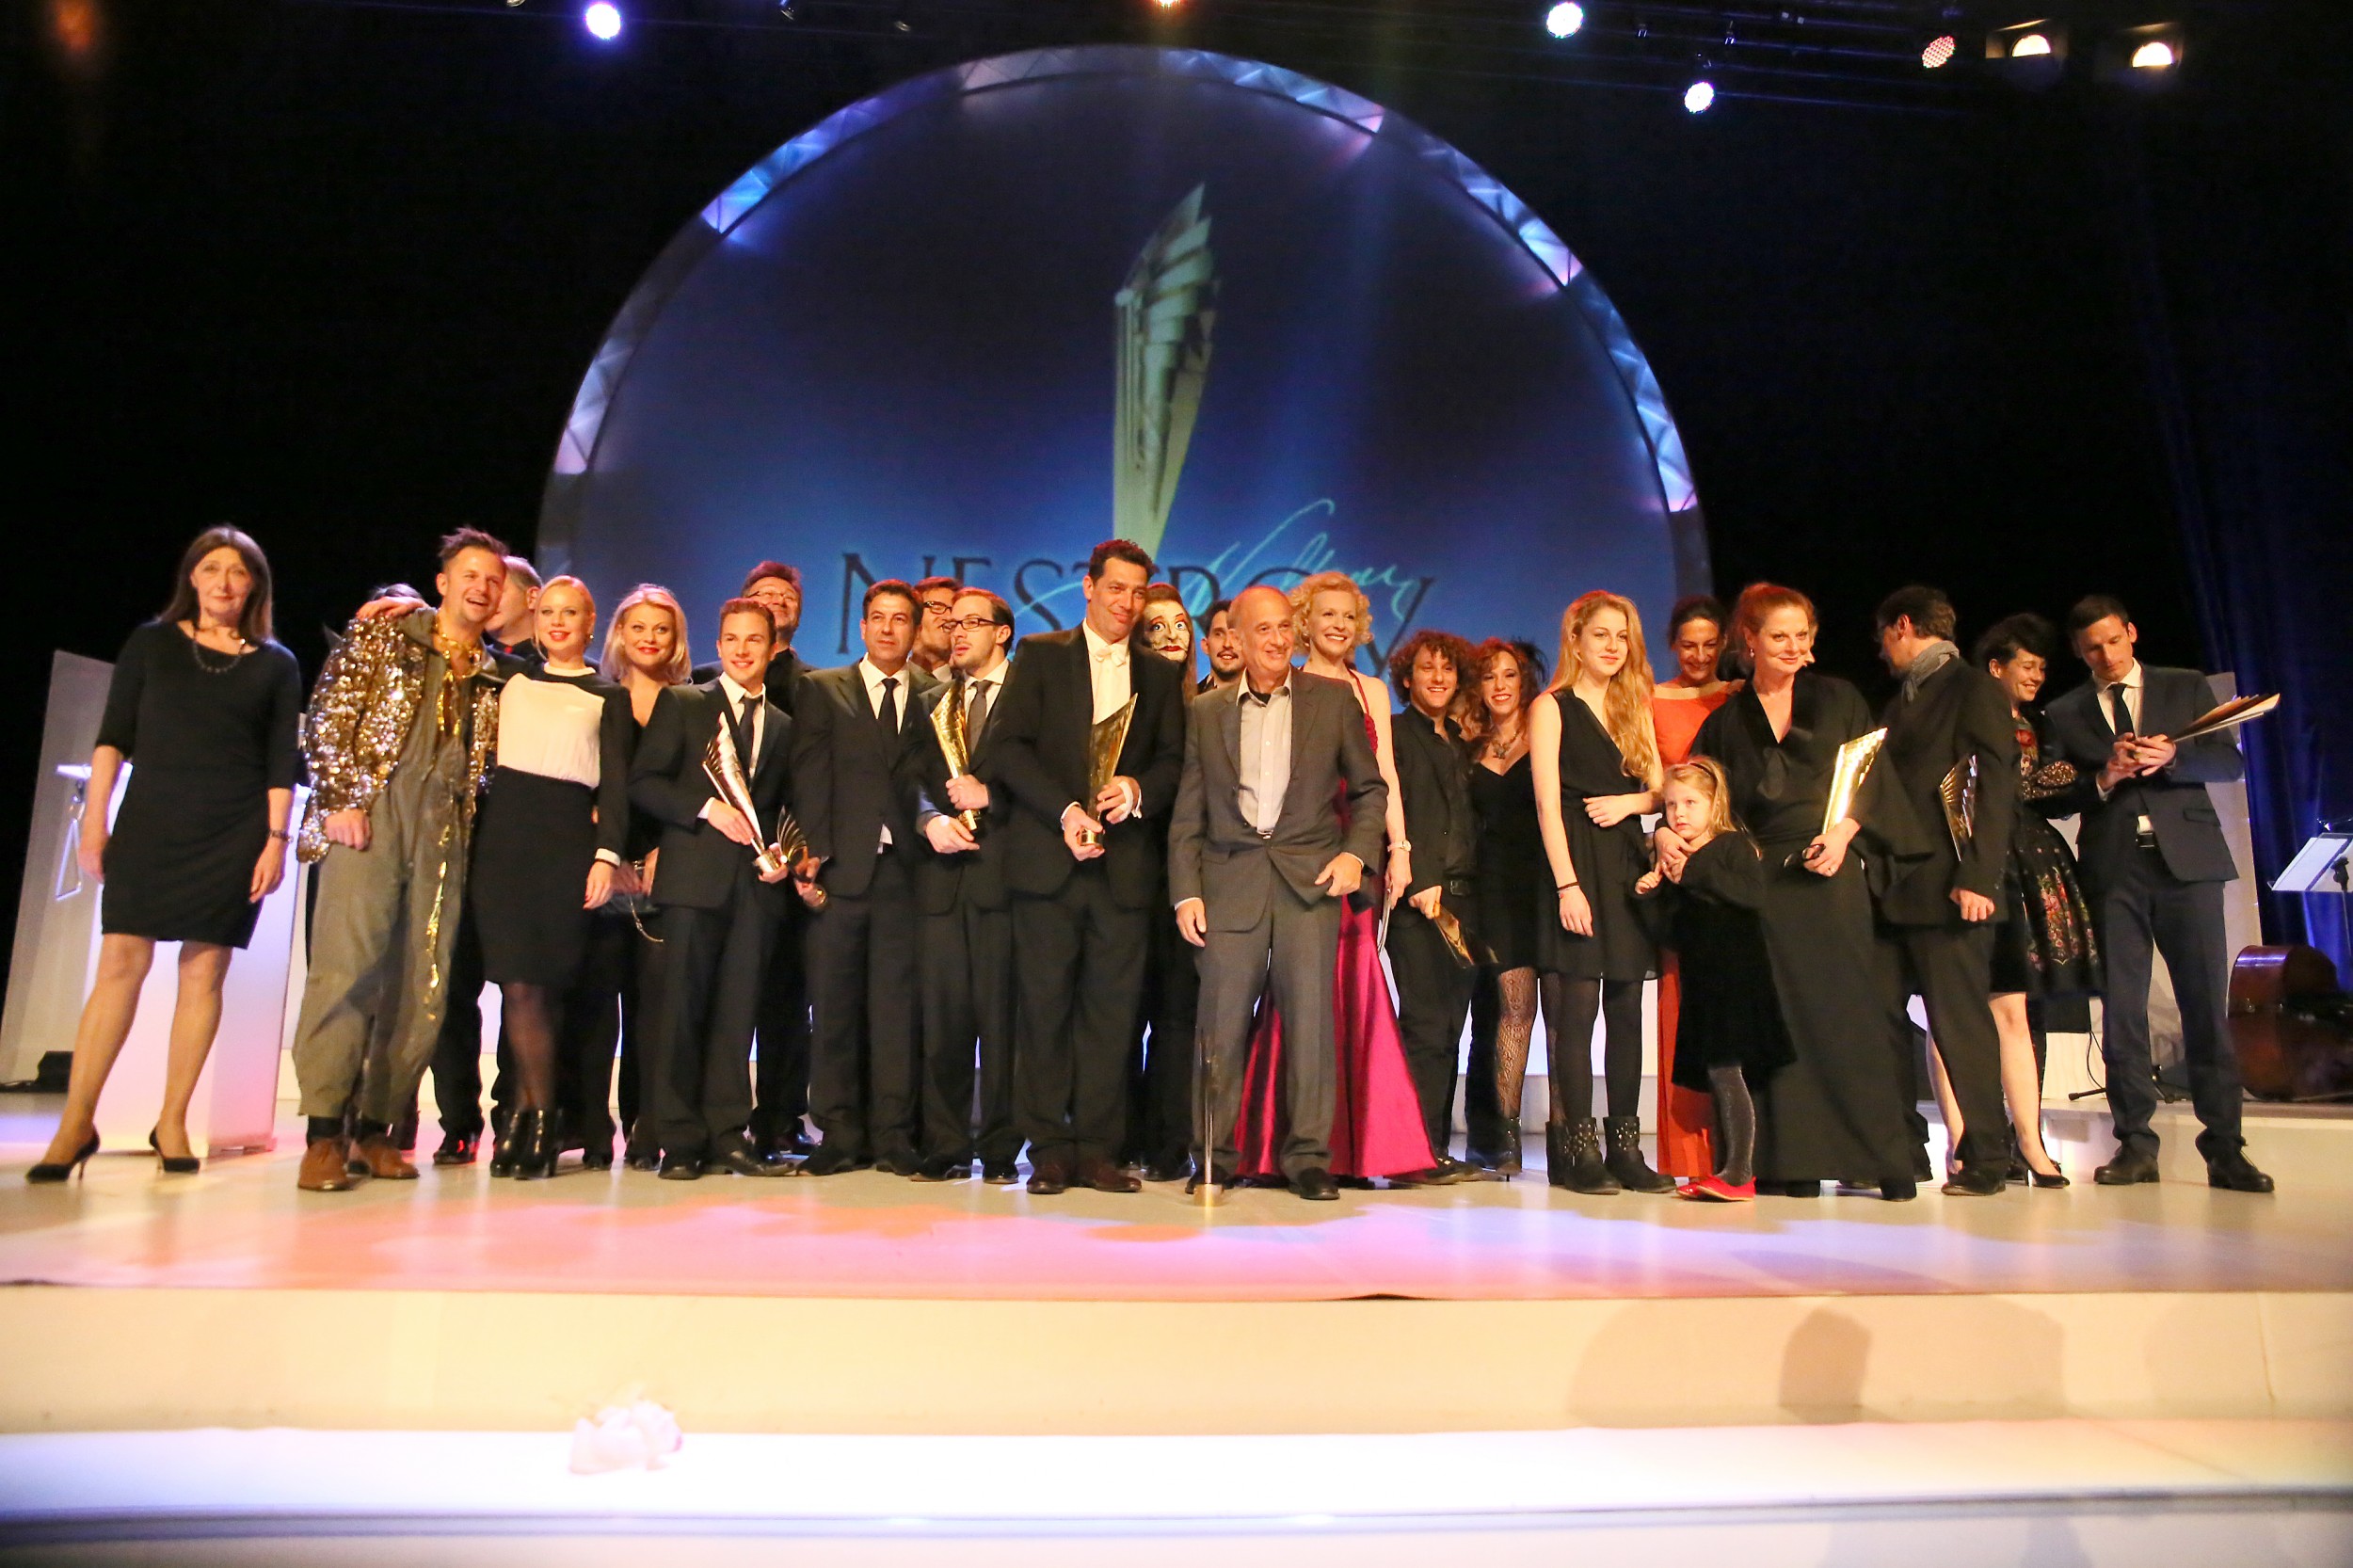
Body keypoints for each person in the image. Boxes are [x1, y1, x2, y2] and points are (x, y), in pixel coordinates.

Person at [28, 528, 302, 1184]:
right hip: (151, 821)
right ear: (192, 577)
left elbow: (279, 764)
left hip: (233, 830)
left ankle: (173, 1120)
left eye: (238, 572)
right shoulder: (151, 643)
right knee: (120, 964)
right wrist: (94, 822)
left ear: (255, 586)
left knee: (203, 974)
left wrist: (275, 841)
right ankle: (75, 1123)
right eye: (212, 569)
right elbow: (112, 738)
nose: (224, 583)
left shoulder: (276, 664)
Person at [286, 529, 511, 1192]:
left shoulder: (492, 673)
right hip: (374, 812)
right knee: (346, 970)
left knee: (423, 980)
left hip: (444, 830)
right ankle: (323, 1134)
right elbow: (328, 714)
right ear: (443, 582)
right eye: (470, 574)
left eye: (492, 580)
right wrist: (340, 799)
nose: (480, 587)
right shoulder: (386, 635)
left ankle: (378, 1128)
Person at [1685, 584, 1920, 1201]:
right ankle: (1793, 1163)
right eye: (1779, 636)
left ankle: (1884, 1161)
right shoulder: (1724, 722)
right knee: (1781, 1022)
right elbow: (1707, 803)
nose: (1792, 647)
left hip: (1831, 871)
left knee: (1850, 1016)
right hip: (1763, 886)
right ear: (1750, 640)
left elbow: (1870, 777)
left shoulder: (1839, 698)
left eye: (1801, 635)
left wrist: (1842, 835)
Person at [2041, 596, 2272, 1192]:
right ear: (2079, 652)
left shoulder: (2183, 684)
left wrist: (2174, 756)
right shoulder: (2064, 712)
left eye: (2113, 641)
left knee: (2205, 1006)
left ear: (2132, 632)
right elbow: (2053, 795)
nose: (2106, 655)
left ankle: (2225, 1148)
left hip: (2188, 864)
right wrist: (2104, 776)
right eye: (2092, 648)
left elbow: (2229, 763)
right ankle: (2135, 1145)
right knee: (2122, 1011)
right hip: (2114, 869)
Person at [1170, 584, 1388, 1200]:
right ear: (1235, 639)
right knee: (1219, 1025)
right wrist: (1186, 892)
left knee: (1311, 1025)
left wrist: (1355, 854)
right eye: (1260, 629)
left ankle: (1309, 1159)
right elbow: (1189, 813)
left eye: (1282, 628)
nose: (1274, 639)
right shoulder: (1206, 711)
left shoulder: (1332, 700)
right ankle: (1213, 1156)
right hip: (1228, 884)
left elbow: (1370, 791)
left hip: (1308, 883)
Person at [984, 539, 1185, 1195]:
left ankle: (1099, 1149)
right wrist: (1064, 812)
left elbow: (1174, 762)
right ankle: (1048, 1149)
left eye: (1138, 592)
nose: (1127, 602)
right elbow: (1008, 750)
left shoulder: (1158, 676)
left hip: (1124, 873)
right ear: (1089, 587)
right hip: (1049, 865)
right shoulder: (1042, 656)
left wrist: (1136, 790)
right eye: (1116, 588)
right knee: (1043, 1012)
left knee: (1111, 1017)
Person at [1228, 571, 1433, 1185]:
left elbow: (1382, 775)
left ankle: (1362, 1147)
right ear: (1304, 623)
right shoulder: (1285, 683)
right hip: (1300, 855)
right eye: (1327, 615)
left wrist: (1398, 847)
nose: (1339, 625)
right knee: (1298, 991)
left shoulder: (1371, 690)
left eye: (1349, 616)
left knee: (1357, 981)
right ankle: (1279, 1143)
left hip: (1358, 852)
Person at [627, 597, 800, 1179]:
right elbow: (644, 783)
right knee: (681, 1013)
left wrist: (784, 855)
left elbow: (782, 808)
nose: (742, 650)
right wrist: (704, 808)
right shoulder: (685, 703)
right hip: (693, 884)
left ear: (772, 649)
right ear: (719, 645)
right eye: (732, 639)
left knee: (737, 1015)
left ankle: (728, 1135)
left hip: (754, 892)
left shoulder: (783, 725)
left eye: (755, 640)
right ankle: (679, 1142)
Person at [467, 576, 632, 1178]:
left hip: (565, 843)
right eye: (549, 612)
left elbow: (616, 788)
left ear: (591, 624)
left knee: (547, 985)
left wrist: (606, 857)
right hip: (503, 840)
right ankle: (529, 1116)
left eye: (571, 613)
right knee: (517, 985)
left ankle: (539, 1119)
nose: (558, 622)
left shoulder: (607, 695)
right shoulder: (506, 677)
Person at [1934, 612, 2095, 1187]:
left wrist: (2087, 774)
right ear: (1995, 667)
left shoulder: (2038, 724)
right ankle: (1964, 1143)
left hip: (2023, 868)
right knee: (1952, 1011)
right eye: (2026, 666)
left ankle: (2029, 1141)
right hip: (1963, 861)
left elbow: (2048, 786)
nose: (2035, 677)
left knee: (2016, 1006)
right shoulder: (1954, 716)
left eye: (2042, 668)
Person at [1870, 584, 2019, 1198]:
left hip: (1952, 885)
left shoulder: (1971, 687)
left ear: (1902, 626)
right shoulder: (1900, 700)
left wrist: (1979, 877)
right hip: (1894, 886)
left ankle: (1988, 1153)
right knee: (1881, 1017)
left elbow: (1996, 784)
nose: (1882, 651)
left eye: (1884, 637)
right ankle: (1901, 1149)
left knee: (1959, 1022)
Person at [794, 580, 938, 1176]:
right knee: (834, 1007)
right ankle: (837, 1132)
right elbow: (809, 777)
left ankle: (893, 1133)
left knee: (895, 1010)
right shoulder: (823, 689)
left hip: (907, 874)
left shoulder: (935, 693)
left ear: (915, 630)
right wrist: (814, 853)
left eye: (899, 619)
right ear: (861, 626)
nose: (887, 629)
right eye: (877, 618)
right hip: (840, 871)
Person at [1529, 591, 1669, 1195]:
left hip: (1625, 864)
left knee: (1627, 1009)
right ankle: (1580, 1150)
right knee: (1578, 1011)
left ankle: (1626, 1149)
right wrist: (1567, 884)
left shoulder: (1633, 704)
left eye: (1622, 636)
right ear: (1577, 641)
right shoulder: (1551, 707)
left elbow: (1660, 789)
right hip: (1577, 862)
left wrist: (1630, 804)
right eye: (1601, 635)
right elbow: (1546, 804)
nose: (1613, 646)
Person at [1633, 759, 1794, 1203]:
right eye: (1671, 805)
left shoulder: (1731, 847)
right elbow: (1672, 934)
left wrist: (1692, 870)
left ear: (1713, 804)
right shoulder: (1678, 861)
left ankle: (1740, 1173)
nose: (1679, 813)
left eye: (1690, 803)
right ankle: (1732, 1168)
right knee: (1720, 1074)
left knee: (1727, 1070)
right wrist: (1650, 896)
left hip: (1737, 980)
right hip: (1704, 985)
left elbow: (1752, 894)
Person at [904, 588, 1022, 1182]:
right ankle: (946, 1144)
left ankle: (1001, 1148)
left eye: (972, 623)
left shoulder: (1030, 697)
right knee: (943, 1022)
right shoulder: (932, 699)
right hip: (943, 881)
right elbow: (909, 777)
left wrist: (992, 796)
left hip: (1007, 882)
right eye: (952, 624)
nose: (958, 633)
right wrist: (929, 820)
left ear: (1002, 633)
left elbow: (1054, 780)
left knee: (1003, 1025)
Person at [584, 584, 691, 1171]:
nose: (649, 638)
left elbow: (695, 791)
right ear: (619, 634)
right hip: (600, 872)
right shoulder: (596, 697)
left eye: (661, 629)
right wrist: (606, 851)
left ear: (676, 639)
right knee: (597, 1011)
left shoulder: (692, 702)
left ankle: (648, 1126)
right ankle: (592, 1130)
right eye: (639, 627)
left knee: (655, 1014)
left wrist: (662, 853)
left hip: (663, 878)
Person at [1384, 628, 1487, 1184]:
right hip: (1419, 899)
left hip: (1464, 901)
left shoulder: (1462, 742)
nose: (1439, 677)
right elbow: (1391, 807)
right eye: (1427, 668)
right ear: (1407, 678)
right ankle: (1410, 1152)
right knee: (1424, 1026)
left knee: (1449, 1030)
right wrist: (1421, 877)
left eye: (1447, 669)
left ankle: (1435, 1147)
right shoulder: (1396, 734)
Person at [1648, 595, 1739, 1182]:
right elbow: (1651, 782)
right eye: (1689, 645)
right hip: (1676, 856)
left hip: (1726, 861)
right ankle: (1686, 1155)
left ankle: (1739, 1154)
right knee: (1678, 1003)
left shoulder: (1737, 697)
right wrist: (1661, 831)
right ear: (1673, 646)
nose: (1700, 655)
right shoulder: (1653, 699)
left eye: (1710, 644)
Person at [1461, 638, 1546, 1176]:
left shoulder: (1547, 736)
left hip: (1543, 885)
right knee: (1495, 1012)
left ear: (1524, 682)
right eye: (1489, 676)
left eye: (1509, 675)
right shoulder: (1467, 747)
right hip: (1488, 889)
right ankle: (1496, 1135)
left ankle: (1562, 1137)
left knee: (1546, 1014)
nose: (1499, 685)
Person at [1126, 582, 1201, 1181]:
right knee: (1123, 1015)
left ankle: (1169, 1143)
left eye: (1179, 623)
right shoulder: (1123, 704)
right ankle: (1121, 1136)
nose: (1171, 635)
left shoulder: (1209, 703)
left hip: (1190, 882)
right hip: (1129, 873)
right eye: (1155, 626)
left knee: (1178, 1019)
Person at [692, 562, 808, 712]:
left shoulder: (814, 685)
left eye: (789, 597)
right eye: (768, 594)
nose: (779, 601)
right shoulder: (704, 677)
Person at [488, 555, 543, 656]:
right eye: (485, 595)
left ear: (532, 597)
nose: (487, 601)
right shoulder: (472, 661)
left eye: (498, 591)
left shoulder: (560, 660)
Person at [910, 575, 961, 679]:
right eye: (937, 607)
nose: (949, 617)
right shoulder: (889, 682)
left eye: (954, 610)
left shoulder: (969, 686)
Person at [1198, 597, 1244, 692]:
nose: (1227, 644)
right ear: (1205, 645)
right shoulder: (1184, 698)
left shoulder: (1267, 698)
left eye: (1236, 635)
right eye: (1219, 634)